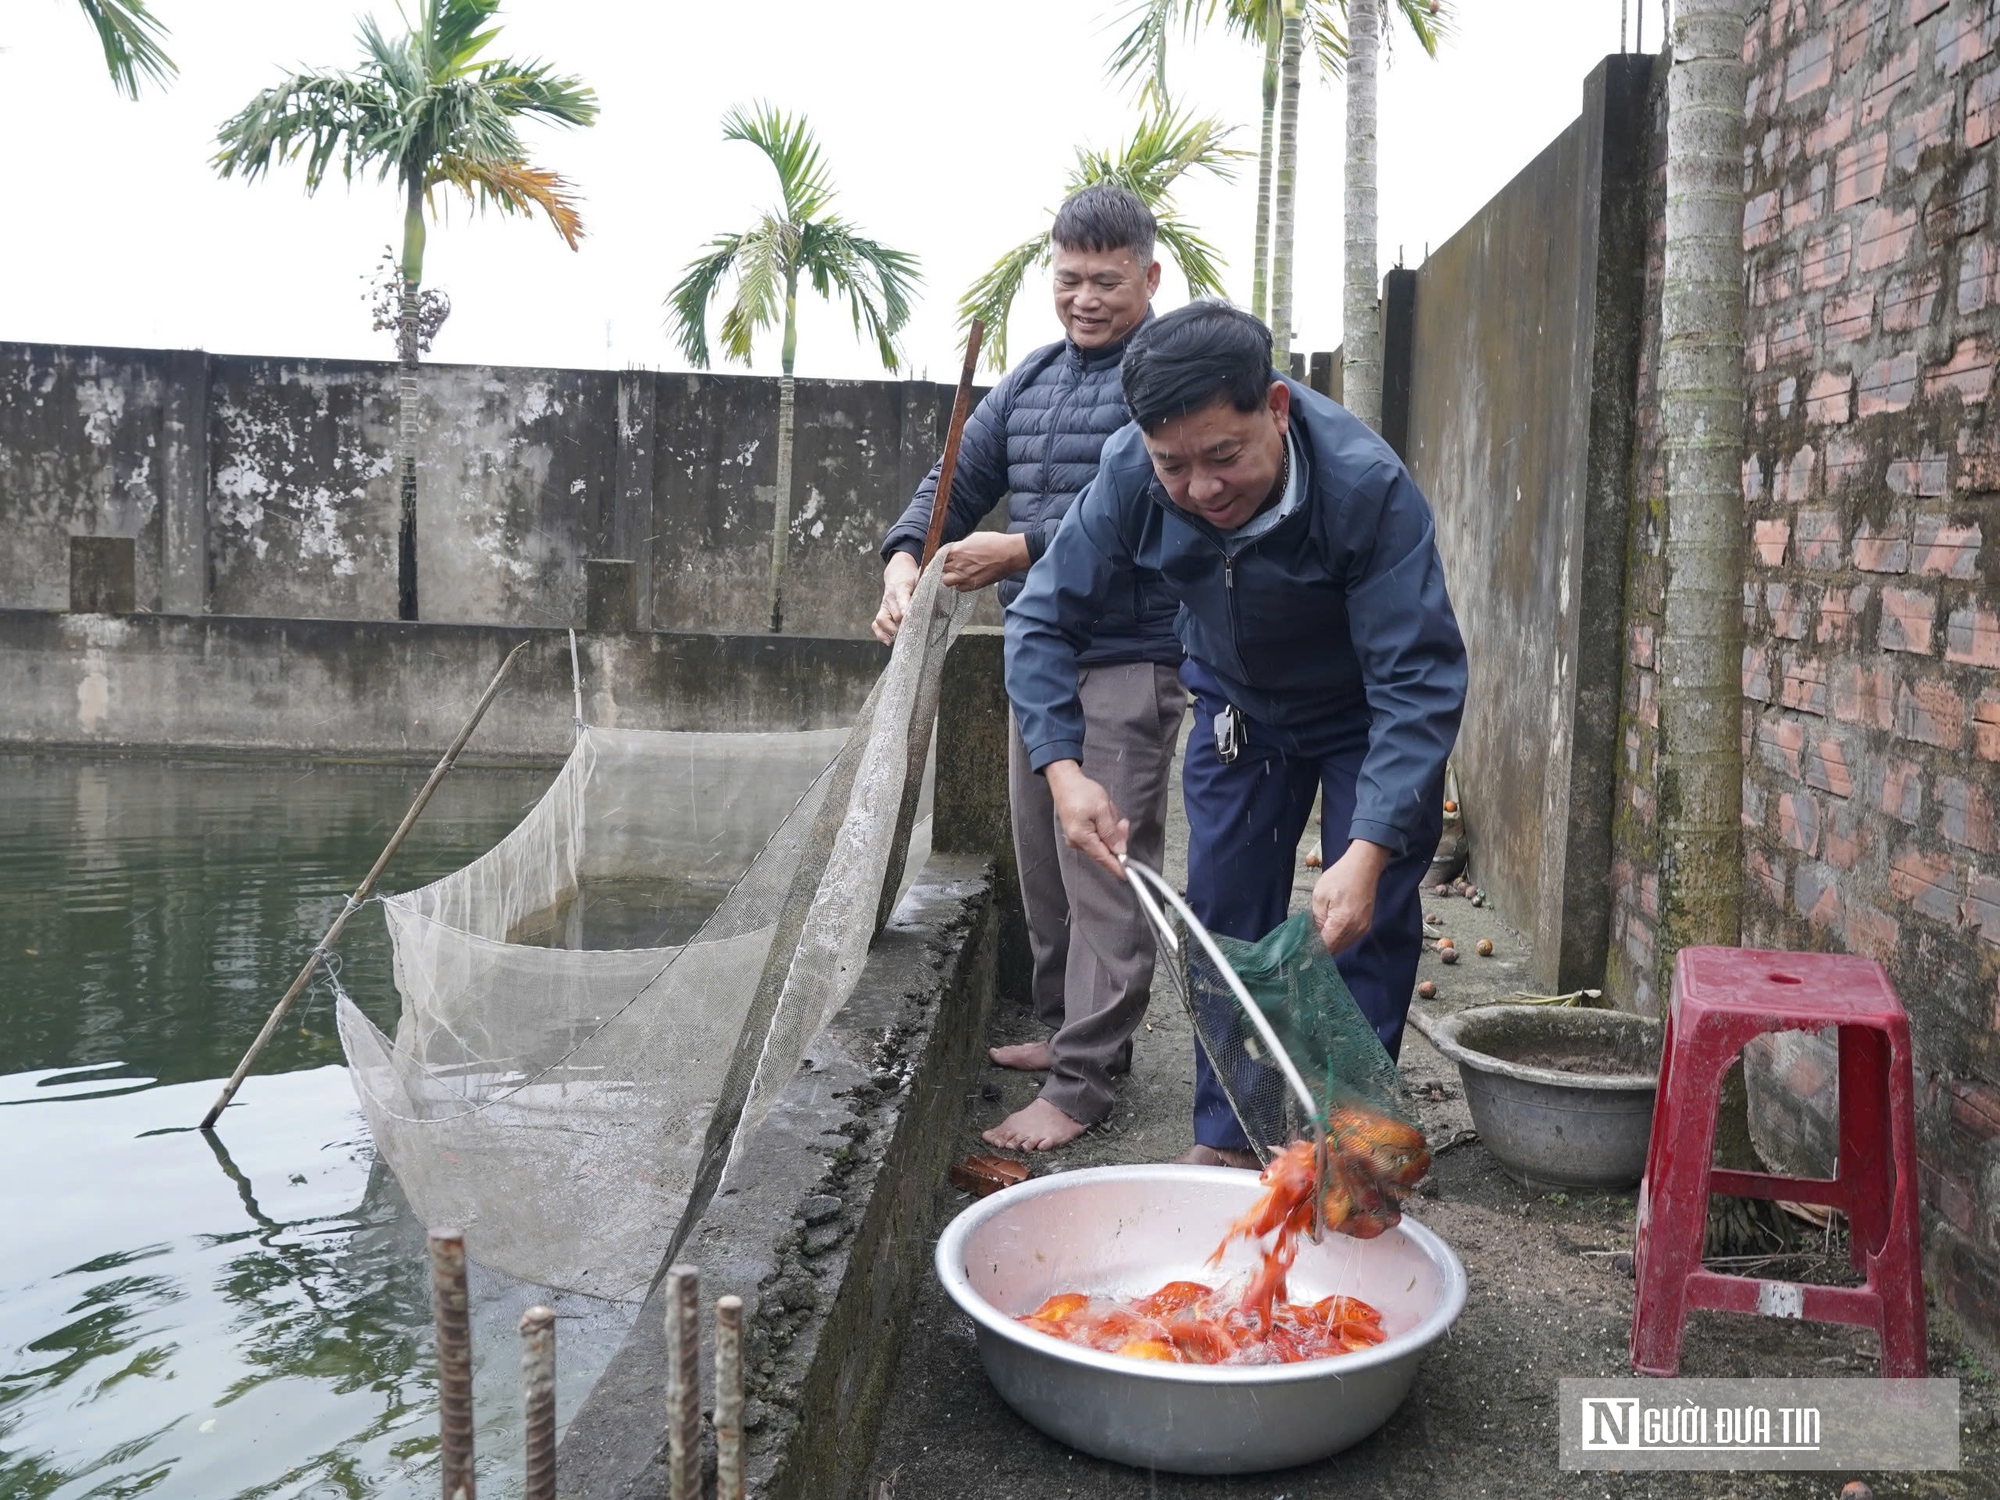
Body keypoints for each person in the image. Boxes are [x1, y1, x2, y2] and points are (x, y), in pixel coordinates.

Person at [1004, 300, 1466, 1168]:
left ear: (1278, 409)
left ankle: (1350, 1152)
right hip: (1237, 712)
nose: (1202, 490)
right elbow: (1040, 620)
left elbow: (1418, 680)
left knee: (1364, 924)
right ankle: (1228, 1137)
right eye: (1173, 465)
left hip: (1366, 717)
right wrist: (1064, 771)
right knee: (1221, 924)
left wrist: (1367, 847)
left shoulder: (1366, 488)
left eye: (1225, 457)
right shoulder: (1129, 477)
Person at [872, 184, 1184, 1153]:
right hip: (1037, 653)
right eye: (1067, 280)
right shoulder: (1032, 379)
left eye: (1105, 280)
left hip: (1131, 652)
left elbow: (1165, 508)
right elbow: (950, 483)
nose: (1084, 298)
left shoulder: (1168, 379)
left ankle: (1082, 1084)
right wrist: (902, 559)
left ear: (1148, 275)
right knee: (1043, 857)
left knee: (1104, 865)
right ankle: (1067, 1031)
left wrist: (1020, 548)